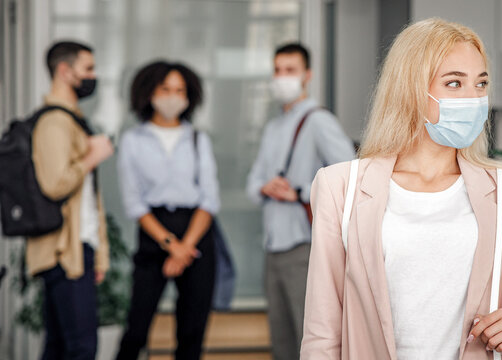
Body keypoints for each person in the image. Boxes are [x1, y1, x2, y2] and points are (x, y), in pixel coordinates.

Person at [301, 18, 502, 360]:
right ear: (411, 89)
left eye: (481, 84)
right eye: (454, 83)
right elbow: (322, 332)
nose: (473, 98)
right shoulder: (338, 187)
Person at [246, 43, 355, 359]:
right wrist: (266, 187)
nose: (282, 77)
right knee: (281, 339)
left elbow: (349, 178)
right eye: (277, 70)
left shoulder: (318, 121)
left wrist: (299, 192)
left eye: (290, 70)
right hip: (273, 245)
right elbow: (252, 184)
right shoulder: (273, 126)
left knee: (308, 340)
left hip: (304, 245)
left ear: (307, 75)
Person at [115, 61, 220, 360]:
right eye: (165, 89)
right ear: (149, 92)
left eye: (180, 90)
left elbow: (209, 199)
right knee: (136, 328)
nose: (173, 96)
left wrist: (185, 247)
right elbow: (134, 202)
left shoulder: (199, 139)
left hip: (196, 232)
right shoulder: (133, 140)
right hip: (154, 230)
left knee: (192, 331)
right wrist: (170, 245)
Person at [28, 41, 113, 360]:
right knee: (80, 348)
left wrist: (99, 253)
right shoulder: (54, 122)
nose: (93, 76)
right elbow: (55, 184)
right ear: (65, 71)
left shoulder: (71, 119)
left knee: (61, 347)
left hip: (77, 249)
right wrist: (93, 157)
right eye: (87, 68)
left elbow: (89, 201)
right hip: (66, 251)